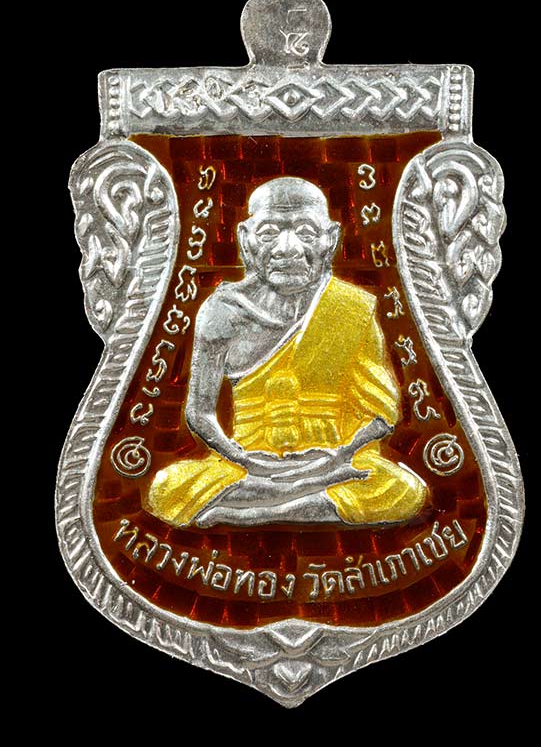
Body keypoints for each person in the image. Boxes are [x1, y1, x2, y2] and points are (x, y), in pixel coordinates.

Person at [146, 177, 427, 528]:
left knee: (402, 489)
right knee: (167, 487)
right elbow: (200, 413)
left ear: (330, 239)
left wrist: (337, 455)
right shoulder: (223, 312)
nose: (288, 248)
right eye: (269, 233)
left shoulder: (350, 308)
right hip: (250, 462)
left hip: (331, 460)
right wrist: (244, 459)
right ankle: (302, 499)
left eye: (306, 232)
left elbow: (382, 415)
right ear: (245, 239)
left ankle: (263, 511)